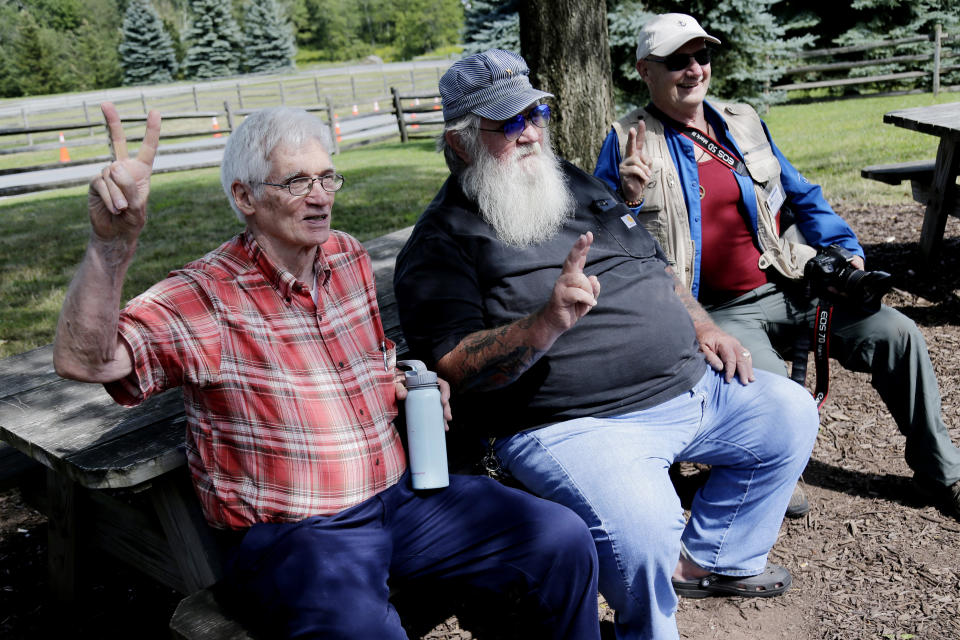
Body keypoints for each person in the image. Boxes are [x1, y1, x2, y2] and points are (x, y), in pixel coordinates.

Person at [52, 103, 602, 639]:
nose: (319, 197)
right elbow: (86, 360)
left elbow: (366, 363)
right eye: (296, 183)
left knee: (560, 537)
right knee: (363, 629)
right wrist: (110, 244)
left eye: (327, 178)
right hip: (300, 537)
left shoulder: (345, 256)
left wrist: (409, 380)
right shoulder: (206, 296)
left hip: (402, 501)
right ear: (244, 196)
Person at [394, 48, 820, 640]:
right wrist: (545, 321)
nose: (530, 133)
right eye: (508, 122)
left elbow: (655, 265)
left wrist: (703, 326)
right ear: (460, 141)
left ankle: (710, 563)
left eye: (535, 115)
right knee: (645, 534)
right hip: (574, 424)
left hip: (687, 385)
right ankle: (648, 626)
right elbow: (454, 365)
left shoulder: (570, 180)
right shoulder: (442, 241)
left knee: (789, 413)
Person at [594, 12, 960, 521]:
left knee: (899, 334)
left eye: (702, 56)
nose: (694, 70)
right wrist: (627, 199)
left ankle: (943, 473)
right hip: (715, 311)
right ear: (644, 71)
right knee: (771, 399)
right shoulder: (627, 139)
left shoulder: (741, 121)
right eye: (677, 61)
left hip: (790, 281)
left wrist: (844, 251)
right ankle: (765, 468)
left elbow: (803, 195)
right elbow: (609, 246)